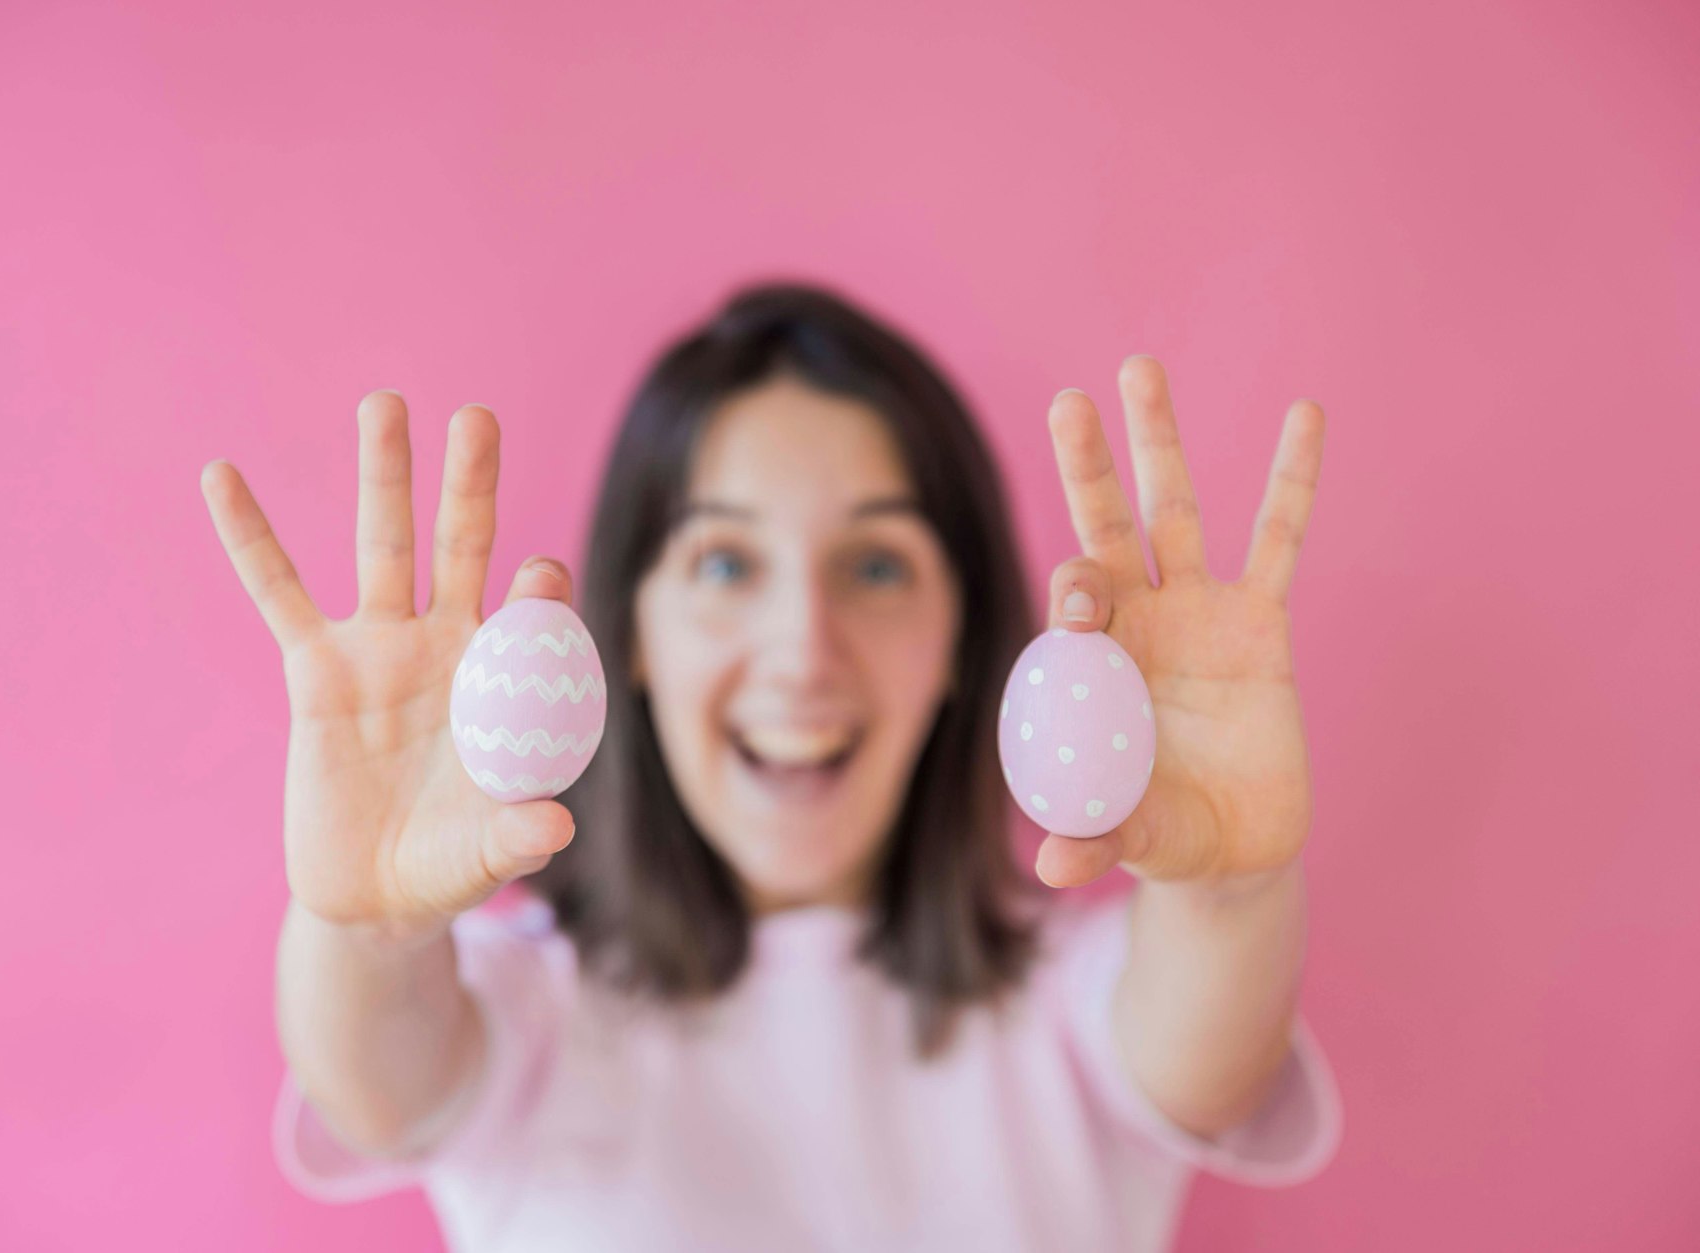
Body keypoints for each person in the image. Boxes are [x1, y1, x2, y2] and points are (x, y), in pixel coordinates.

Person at [198, 282, 1343, 1252]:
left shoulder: (1073, 1013)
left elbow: (1211, 1034)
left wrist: (1230, 886)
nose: (802, 649)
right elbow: (377, 1072)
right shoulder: (526, 1012)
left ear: (961, 638)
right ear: (631, 631)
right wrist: (361, 922)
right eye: (726, 560)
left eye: (879, 565)